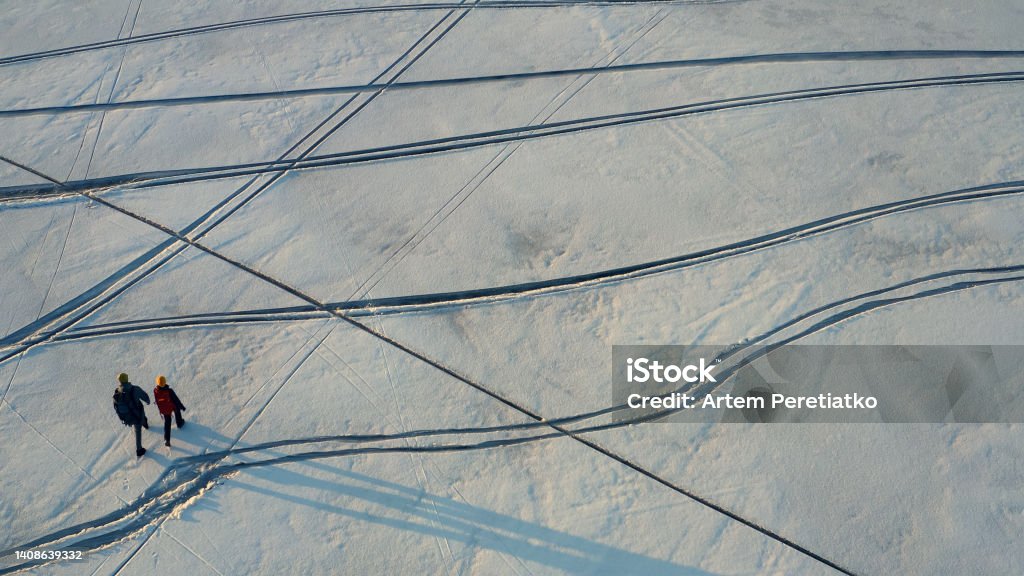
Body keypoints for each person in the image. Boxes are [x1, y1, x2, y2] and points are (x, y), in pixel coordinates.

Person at [113, 373, 150, 458]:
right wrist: (148, 401)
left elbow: (116, 406)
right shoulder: (135, 389)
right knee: (138, 429)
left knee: (140, 420)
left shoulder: (117, 392)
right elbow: (145, 397)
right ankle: (139, 450)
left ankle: (144, 423)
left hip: (127, 417)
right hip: (137, 415)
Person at [153, 375, 186, 448]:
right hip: (171, 406)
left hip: (164, 409)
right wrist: (182, 407)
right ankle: (179, 423)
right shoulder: (169, 391)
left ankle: (166, 439)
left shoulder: (155, 391)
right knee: (177, 410)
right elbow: (176, 400)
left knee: (167, 423)